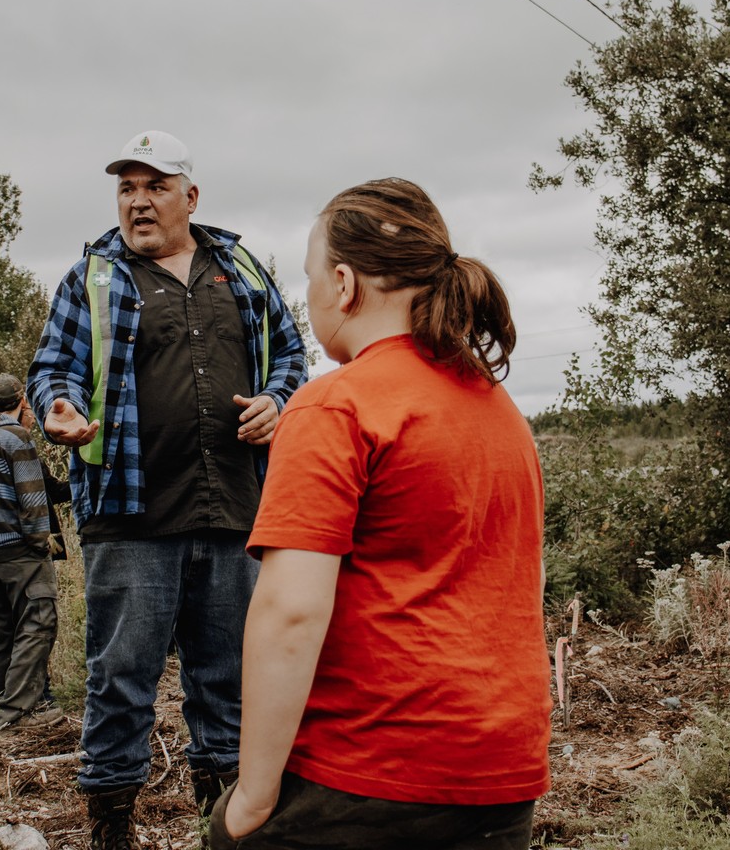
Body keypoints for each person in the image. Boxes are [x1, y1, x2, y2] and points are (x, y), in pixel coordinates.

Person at [212, 178, 553, 850]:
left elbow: (290, 614)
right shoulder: (498, 408)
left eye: (309, 276)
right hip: (502, 770)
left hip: (376, 764)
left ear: (343, 284)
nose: (307, 296)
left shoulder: (333, 405)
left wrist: (253, 795)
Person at [28, 130, 308, 848]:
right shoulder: (91, 276)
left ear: (191, 196)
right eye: (126, 187)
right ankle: (111, 829)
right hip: (130, 516)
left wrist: (279, 401)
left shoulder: (240, 269)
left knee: (229, 683)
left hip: (235, 513)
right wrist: (60, 406)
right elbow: (52, 367)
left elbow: (290, 356)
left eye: (154, 186)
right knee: (120, 683)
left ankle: (224, 825)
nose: (138, 201)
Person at [0, 372, 64, 731]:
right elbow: (32, 497)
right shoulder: (16, 436)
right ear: (23, 404)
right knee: (39, 622)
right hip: (17, 549)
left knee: (1, 632)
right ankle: (16, 714)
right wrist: (42, 544)